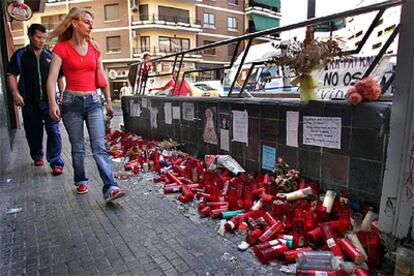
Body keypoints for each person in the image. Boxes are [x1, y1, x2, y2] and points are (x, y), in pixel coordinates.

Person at [47, 7, 125, 203]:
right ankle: (81, 179)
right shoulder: (61, 48)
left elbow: (101, 76)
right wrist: (52, 103)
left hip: (93, 102)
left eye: (92, 22)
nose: (91, 25)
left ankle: (110, 187)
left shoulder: (95, 48)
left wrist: (108, 101)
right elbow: (51, 78)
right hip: (70, 103)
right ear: (75, 23)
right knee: (78, 146)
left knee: (99, 146)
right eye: (87, 21)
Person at [6, 23, 65, 176]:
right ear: (30, 36)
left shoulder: (50, 56)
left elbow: (60, 77)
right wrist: (15, 94)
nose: (42, 41)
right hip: (29, 102)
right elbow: (11, 74)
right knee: (33, 131)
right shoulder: (20, 55)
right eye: (39, 37)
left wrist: (62, 93)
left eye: (44, 38)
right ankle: (37, 155)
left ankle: (56, 162)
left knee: (54, 130)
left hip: (49, 102)